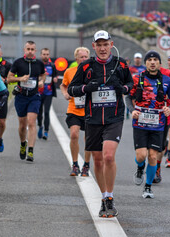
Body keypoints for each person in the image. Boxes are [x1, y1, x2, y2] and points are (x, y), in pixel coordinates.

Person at [67, 30, 133, 217]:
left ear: (111, 45)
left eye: (106, 44)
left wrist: (124, 88)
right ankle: (103, 197)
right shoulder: (86, 66)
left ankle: (110, 198)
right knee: (97, 159)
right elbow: (72, 89)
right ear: (94, 46)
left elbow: (130, 84)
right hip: (93, 119)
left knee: (109, 156)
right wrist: (86, 88)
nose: (103, 48)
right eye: (99, 45)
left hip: (114, 117)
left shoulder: (120, 64)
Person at [125, 50, 170, 198]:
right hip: (140, 123)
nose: (153, 62)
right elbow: (128, 98)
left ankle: (148, 187)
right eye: (150, 60)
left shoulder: (167, 80)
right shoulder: (137, 79)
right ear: (145, 63)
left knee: (153, 156)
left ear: (160, 63)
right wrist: (131, 110)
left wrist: (169, 108)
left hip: (158, 125)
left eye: (155, 60)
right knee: (141, 155)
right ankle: (140, 167)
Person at [7, 41, 46, 162]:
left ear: (35, 51)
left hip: (34, 97)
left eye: (32, 49)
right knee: (22, 125)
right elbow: (9, 79)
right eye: (28, 49)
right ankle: (23, 143)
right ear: (24, 50)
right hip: (21, 97)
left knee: (31, 122)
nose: (30, 51)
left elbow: (43, 74)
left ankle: (30, 150)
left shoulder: (39, 63)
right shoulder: (18, 62)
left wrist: (41, 81)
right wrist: (20, 78)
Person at [60, 47, 92, 176]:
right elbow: (63, 85)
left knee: (88, 139)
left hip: (89, 109)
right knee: (74, 134)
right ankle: (75, 164)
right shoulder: (70, 71)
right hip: (74, 109)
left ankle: (86, 165)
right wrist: (65, 94)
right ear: (76, 58)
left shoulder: (93, 72)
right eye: (81, 57)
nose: (83, 59)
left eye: (86, 57)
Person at [37, 48, 58, 140]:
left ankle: (46, 131)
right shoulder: (37, 65)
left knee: (46, 112)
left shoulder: (52, 65)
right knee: (39, 112)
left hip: (48, 92)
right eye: (44, 54)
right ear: (41, 55)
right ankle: (40, 126)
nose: (45, 56)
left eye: (47, 54)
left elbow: (55, 76)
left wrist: (55, 79)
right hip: (38, 92)